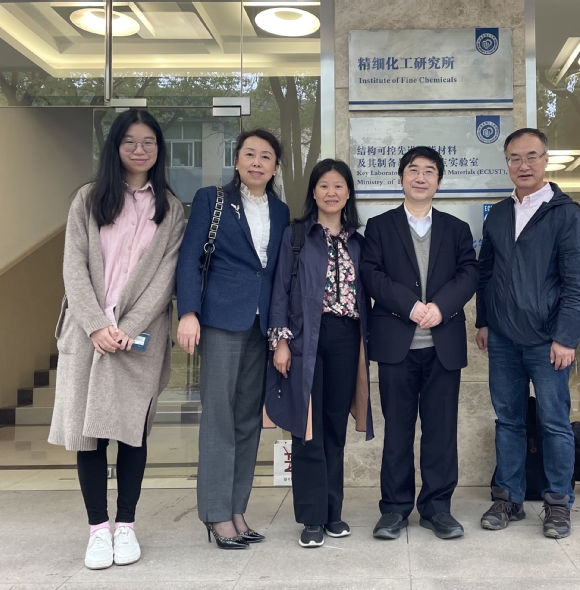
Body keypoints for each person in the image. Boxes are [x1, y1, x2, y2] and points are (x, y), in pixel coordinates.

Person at [48, 109, 186, 569]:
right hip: (88, 335)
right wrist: (95, 324)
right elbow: (73, 264)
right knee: (89, 436)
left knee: (132, 434)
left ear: (159, 149)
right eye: (130, 141)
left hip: (138, 338)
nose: (139, 150)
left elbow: (166, 276)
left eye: (149, 142)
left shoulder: (170, 207)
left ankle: (126, 525)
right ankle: (97, 530)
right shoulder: (88, 199)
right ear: (115, 146)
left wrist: (128, 328)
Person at [476, 128, 580, 539]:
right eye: (514, 158)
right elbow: (486, 273)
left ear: (545, 161)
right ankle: (507, 497)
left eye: (531, 156)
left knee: (554, 422)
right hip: (503, 340)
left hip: (548, 341)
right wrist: (484, 321)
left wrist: (566, 337)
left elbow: (579, 284)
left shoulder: (566, 214)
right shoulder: (499, 214)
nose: (523, 165)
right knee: (508, 421)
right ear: (506, 164)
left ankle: (558, 503)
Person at [176, 129, 290, 549]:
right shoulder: (212, 199)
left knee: (247, 420)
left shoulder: (280, 211)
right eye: (250, 154)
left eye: (266, 156)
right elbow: (189, 258)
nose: (257, 162)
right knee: (218, 417)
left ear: (275, 166)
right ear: (237, 160)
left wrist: (280, 329)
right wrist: (188, 312)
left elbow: (276, 272)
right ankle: (215, 513)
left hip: (261, 325)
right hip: (221, 319)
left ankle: (237, 510)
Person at [362, 146, 478, 541]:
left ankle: (436, 508)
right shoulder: (379, 226)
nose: (421, 177)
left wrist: (440, 307)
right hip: (397, 346)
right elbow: (372, 275)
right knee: (397, 432)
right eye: (413, 170)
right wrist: (411, 306)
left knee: (440, 433)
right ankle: (394, 509)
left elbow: (469, 274)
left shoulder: (456, 229)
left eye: (430, 171)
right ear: (401, 178)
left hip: (442, 346)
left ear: (439, 182)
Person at [265, 159, 373, 548]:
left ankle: (333, 512)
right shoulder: (297, 235)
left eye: (338, 185)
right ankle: (311, 517)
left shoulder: (359, 241)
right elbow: (280, 289)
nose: (331, 192)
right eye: (324, 185)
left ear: (348, 193)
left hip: (346, 337)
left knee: (334, 426)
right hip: (305, 338)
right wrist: (280, 341)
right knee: (307, 428)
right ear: (313, 192)